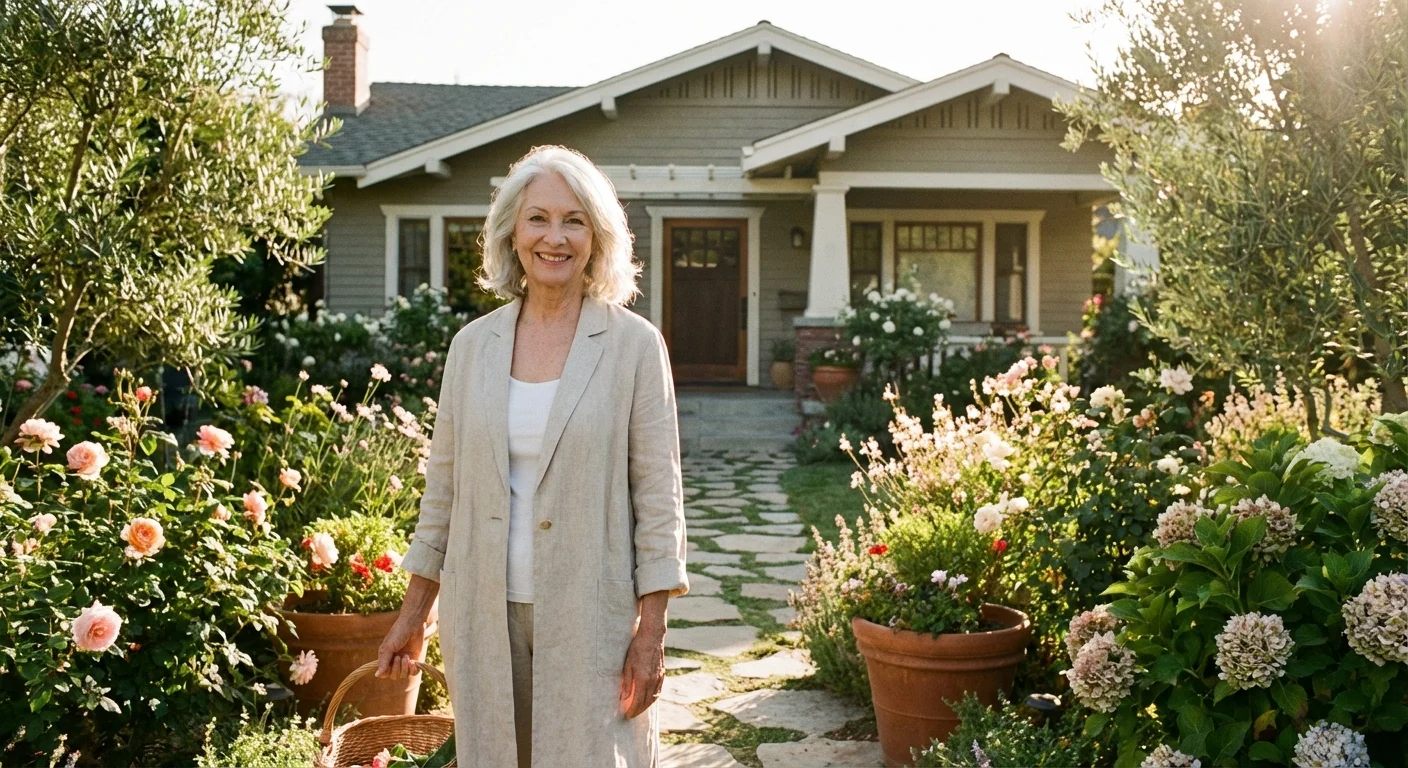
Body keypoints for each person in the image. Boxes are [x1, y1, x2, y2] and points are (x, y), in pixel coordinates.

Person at [374, 145, 689, 768]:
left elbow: (659, 496)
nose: (555, 238)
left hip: (591, 609)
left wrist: (651, 634)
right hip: (482, 606)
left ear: (597, 238)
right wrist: (413, 616)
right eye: (538, 218)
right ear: (512, 233)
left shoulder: (633, 347)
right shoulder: (472, 348)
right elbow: (443, 494)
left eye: (574, 221)